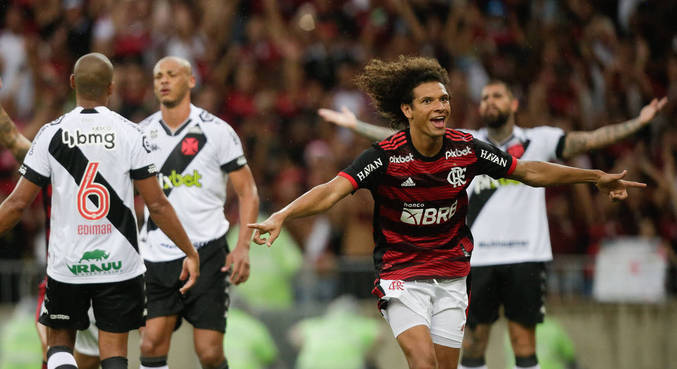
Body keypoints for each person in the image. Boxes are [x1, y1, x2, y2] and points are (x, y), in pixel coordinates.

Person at [249, 56, 644, 369]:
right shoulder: (386, 158)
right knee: (422, 362)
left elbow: (529, 171)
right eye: (429, 101)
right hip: (401, 275)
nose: (441, 107)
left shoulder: (467, 149)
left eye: (444, 99)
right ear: (407, 109)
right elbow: (332, 190)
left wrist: (594, 176)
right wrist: (282, 214)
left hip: (452, 276)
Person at [0, 53, 200, 369]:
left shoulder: (51, 134)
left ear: (72, 84)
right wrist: (189, 249)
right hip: (119, 265)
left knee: (59, 346)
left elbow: (16, 204)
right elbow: (158, 204)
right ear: (111, 88)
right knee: (114, 354)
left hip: (69, 262)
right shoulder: (131, 134)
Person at [137, 56, 259, 369]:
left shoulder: (217, 131)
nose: (163, 81)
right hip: (157, 254)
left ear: (191, 81)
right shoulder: (139, 134)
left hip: (208, 251)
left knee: (208, 352)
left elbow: (248, 192)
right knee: (150, 343)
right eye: (158, 76)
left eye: (172, 74)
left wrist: (243, 246)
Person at [0, 78, 102, 369]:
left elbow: (12, 141)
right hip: (98, 277)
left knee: (64, 357)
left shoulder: (50, 163)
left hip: (74, 276)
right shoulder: (116, 165)